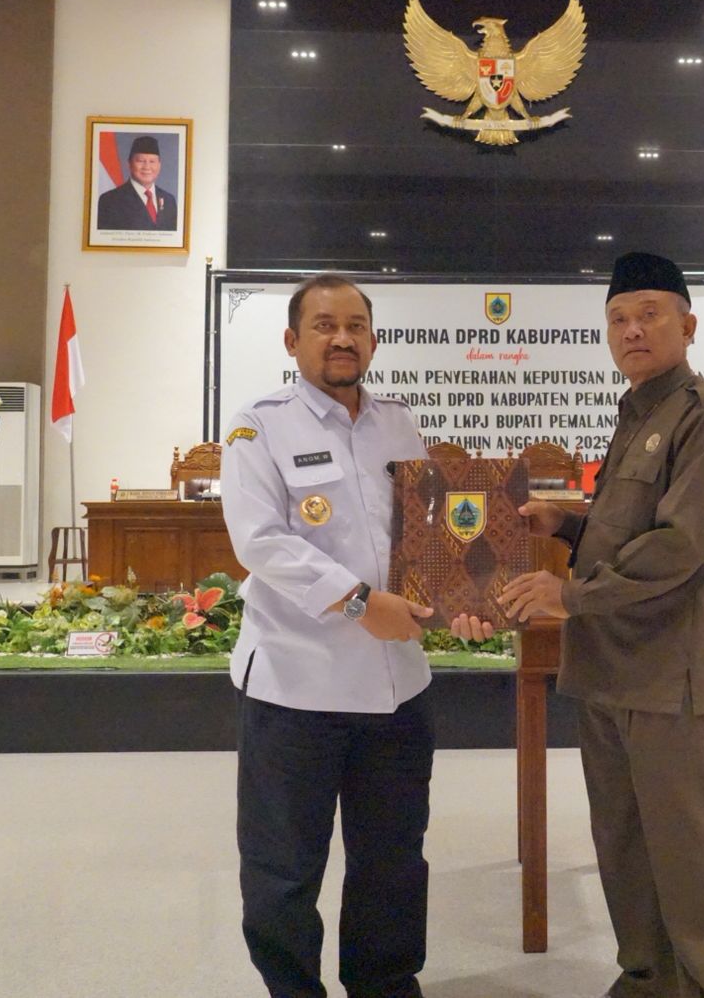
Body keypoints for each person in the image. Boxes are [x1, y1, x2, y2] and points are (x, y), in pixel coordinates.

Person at [457, 251, 704, 998]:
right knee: (624, 848)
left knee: (693, 858)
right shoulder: (637, 413)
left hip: (672, 680)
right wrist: (566, 524)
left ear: (688, 325)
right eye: (618, 318)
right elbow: (630, 529)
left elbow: (679, 545)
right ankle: (648, 979)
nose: (632, 330)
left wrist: (571, 596)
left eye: (649, 315)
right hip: (611, 671)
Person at [221, 273, 438, 998]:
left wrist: (457, 594)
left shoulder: (399, 424)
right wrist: (358, 604)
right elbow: (261, 543)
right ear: (293, 341)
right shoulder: (259, 426)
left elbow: (426, 535)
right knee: (284, 871)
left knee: (393, 862)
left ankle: (386, 984)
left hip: (396, 688)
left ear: (373, 340)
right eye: (324, 325)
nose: (342, 338)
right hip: (297, 688)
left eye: (355, 326)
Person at [96, 134, 178, 230]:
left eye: (152, 161)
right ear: (129, 164)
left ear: (159, 165)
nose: (147, 167)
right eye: (140, 161)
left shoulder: (169, 201)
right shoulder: (110, 201)